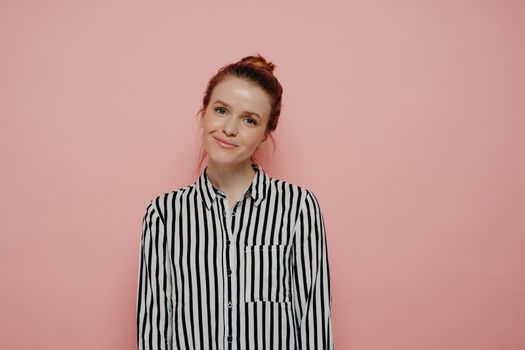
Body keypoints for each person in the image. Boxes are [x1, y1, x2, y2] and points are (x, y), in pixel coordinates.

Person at [136, 53, 335, 350]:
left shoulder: (298, 208)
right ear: (203, 113)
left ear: (265, 135)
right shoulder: (163, 215)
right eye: (221, 110)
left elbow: (314, 322)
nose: (229, 129)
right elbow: (153, 329)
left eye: (249, 120)